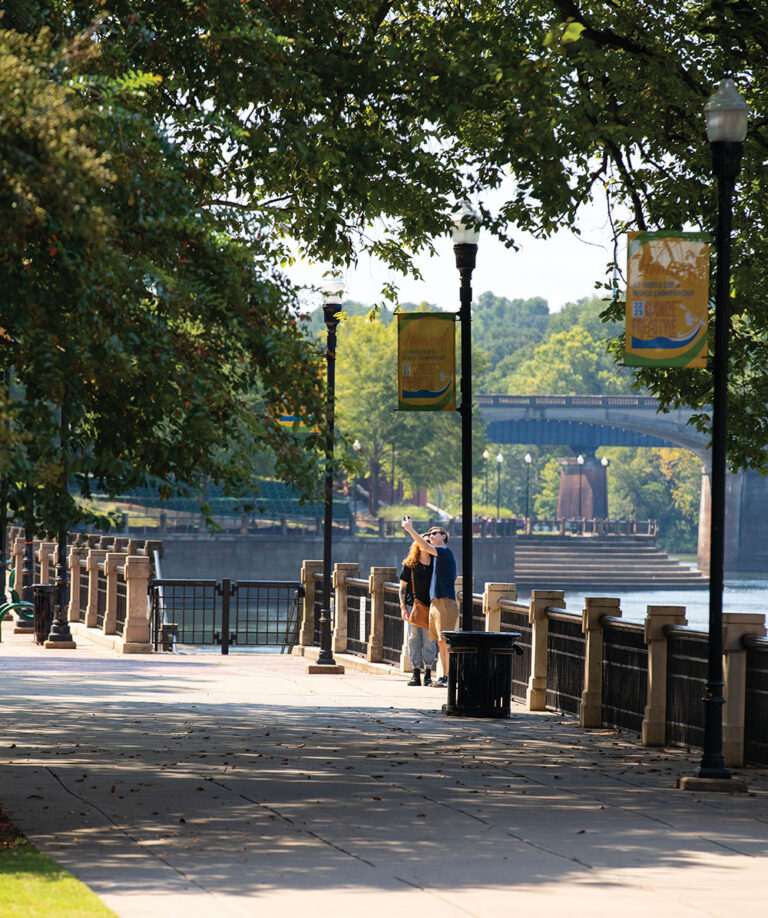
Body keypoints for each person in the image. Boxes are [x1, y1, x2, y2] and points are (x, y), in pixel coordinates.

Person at [401, 517, 458, 688]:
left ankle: (447, 677)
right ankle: (442, 677)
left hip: (444, 602)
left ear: (444, 536)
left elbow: (424, 546)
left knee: (442, 641)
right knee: (438, 641)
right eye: (430, 533)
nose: (431, 536)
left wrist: (410, 529)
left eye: (434, 534)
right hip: (435, 603)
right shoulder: (437, 557)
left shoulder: (445, 552)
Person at [398, 535, 436, 686]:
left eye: (428, 542)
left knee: (429, 639)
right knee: (413, 638)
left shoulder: (436, 563)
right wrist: (402, 606)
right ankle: (415, 673)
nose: (425, 543)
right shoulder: (410, 564)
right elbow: (402, 587)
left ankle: (428, 673)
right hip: (412, 605)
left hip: (432, 606)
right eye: (422, 541)